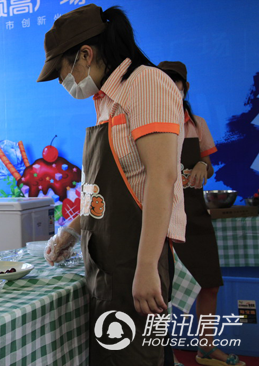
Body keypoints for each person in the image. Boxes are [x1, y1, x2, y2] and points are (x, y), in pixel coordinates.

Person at [37, 5, 186, 366]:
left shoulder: (146, 84)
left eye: (61, 73)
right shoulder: (105, 100)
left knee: (134, 357)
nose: (63, 84)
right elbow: (102, 190)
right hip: (110, 257)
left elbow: (161, 177)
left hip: (135, 255)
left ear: (86, 55)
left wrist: (147, 266)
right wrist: (73, 230)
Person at [159, 61, 245, 366]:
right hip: (162, 217)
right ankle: (161, 354)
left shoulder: (197, 123)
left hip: (195, 214)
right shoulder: (151, 122)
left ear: (185, 87)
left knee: (209, 282)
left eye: (176, 83)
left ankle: (206, 347)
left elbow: (208, 165)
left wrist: (200, 166)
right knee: (161, 289)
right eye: (164, 82)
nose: (171, 88)